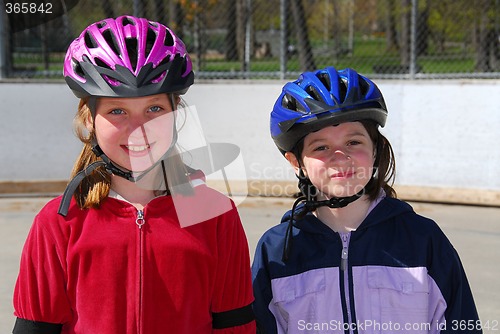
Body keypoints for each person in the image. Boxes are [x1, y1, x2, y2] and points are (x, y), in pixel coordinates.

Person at [13, 15, 255, 333]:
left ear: (176, 113)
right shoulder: (59, 221)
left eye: (154, 109)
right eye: (117, 111)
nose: (139, 129)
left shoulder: (214, 216)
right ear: (89, 120)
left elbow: (235, 326)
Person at [252, 66, 481, 333]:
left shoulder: (423, 239)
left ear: (376, 150)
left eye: (354, 142)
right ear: (296, 162)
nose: (339, 157)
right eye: (321, 147)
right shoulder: (277, 250)